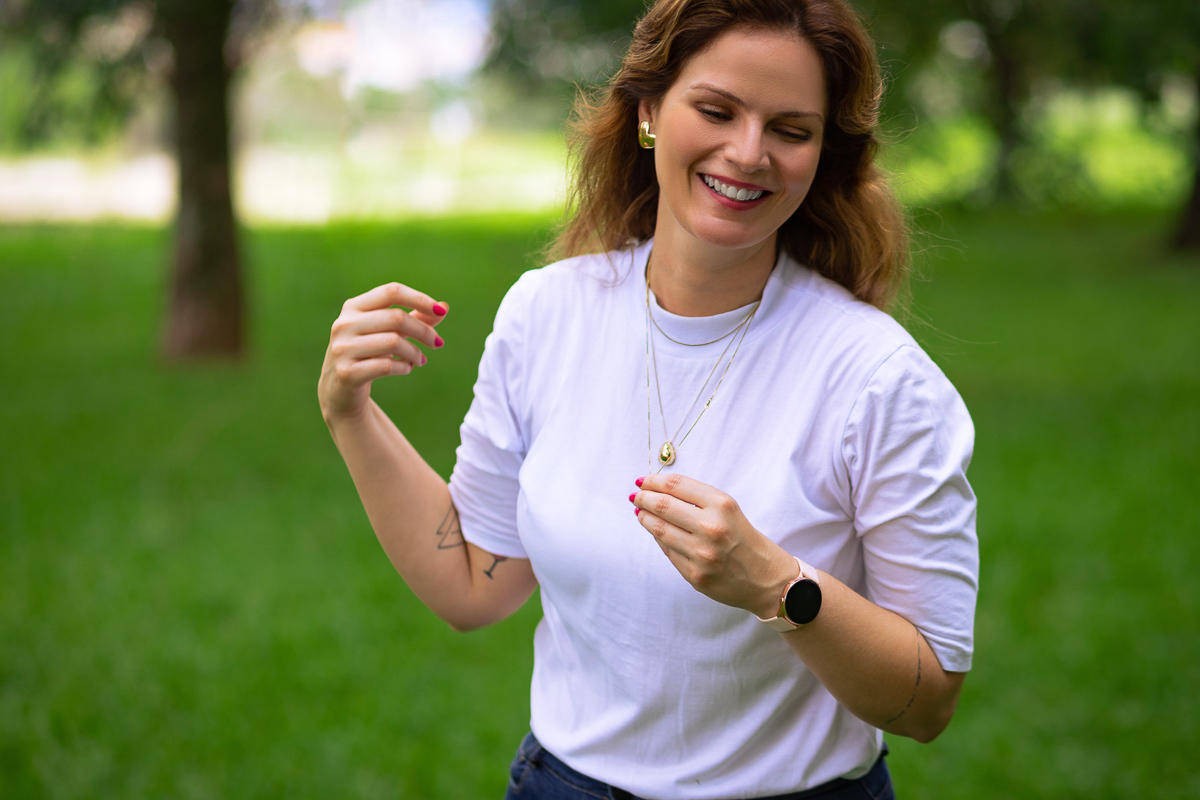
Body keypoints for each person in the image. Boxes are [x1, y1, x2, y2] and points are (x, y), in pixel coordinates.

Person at [317, 0, 978, 797]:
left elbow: (928, 700)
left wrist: (779, 587)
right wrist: (351, 413)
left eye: (790, 130)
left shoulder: (879, 380)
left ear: (822, 156)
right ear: (650, 113)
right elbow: (473, 585)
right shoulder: (546, 314)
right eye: (716, 110)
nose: (748, 152)